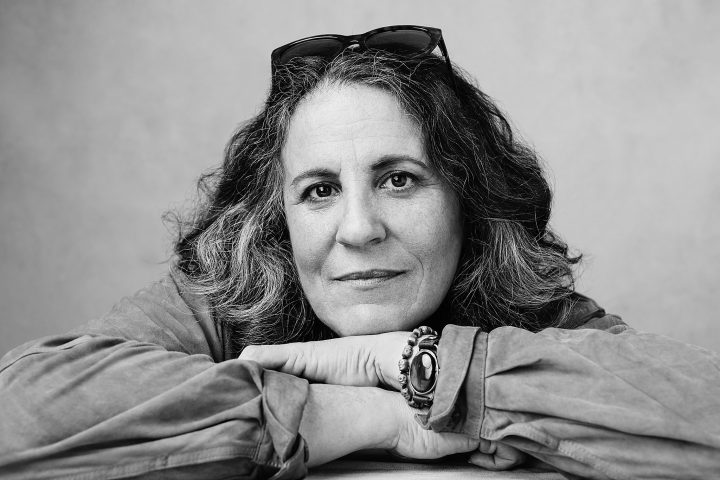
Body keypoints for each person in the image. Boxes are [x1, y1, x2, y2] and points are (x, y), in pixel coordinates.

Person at [1, 25, 719, 480]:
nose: (358, 228)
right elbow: (19, 413)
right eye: (318, 191)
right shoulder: (220, 307)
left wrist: (411, 368)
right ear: (277, 222)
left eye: (399, 180)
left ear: (467, 200)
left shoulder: (536, 313)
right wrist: (347, 415)